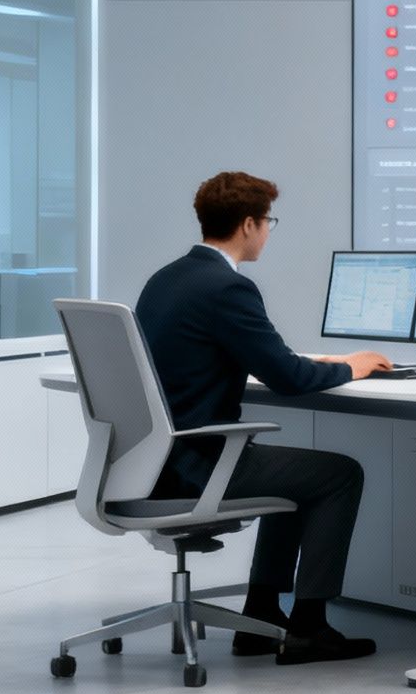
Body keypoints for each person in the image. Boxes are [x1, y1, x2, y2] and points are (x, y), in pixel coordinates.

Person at [137, 171, 396, 664]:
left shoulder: (167, 279)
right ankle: (310, 625)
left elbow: (255, 358)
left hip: (155, 461)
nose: (269, 232)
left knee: (299, 476)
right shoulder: (228, 287)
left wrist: (306, 362)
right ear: (249, 224)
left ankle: (261, 616)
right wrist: (352, 366)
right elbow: (288, 380)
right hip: (197, 465)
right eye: (269, 222)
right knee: (338, 474)